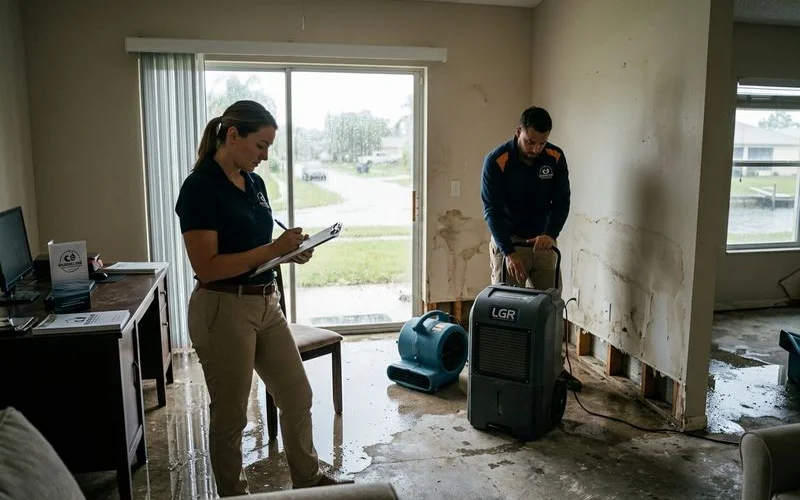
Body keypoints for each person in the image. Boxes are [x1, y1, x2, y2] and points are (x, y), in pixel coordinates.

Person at [175, 100, 353, 496]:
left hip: (265, 303)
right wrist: (274, 249)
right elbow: (208, 267)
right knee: (231, 416)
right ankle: (233, 495)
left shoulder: (253, 184)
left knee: (296, 394)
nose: (265, 156)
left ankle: (307, 480)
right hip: (222, 308)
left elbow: (258, 249)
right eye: (260, 145)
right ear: (232, 135)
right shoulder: (200, 187)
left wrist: (290, 251)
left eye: (269, 146)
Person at [480, 106, 582, 392]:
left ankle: (554, 369)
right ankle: (504, 368)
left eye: (541, 143)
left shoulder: (555, 157)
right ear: (518, 132)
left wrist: (551, 233)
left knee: (550, 306)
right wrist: (509, 253)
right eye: (530, 142)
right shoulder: (497, 161)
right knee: (504, 309)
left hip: (542, 243)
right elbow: (492, 211)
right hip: (509, 244)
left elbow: (562, 201)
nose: (536, 149)